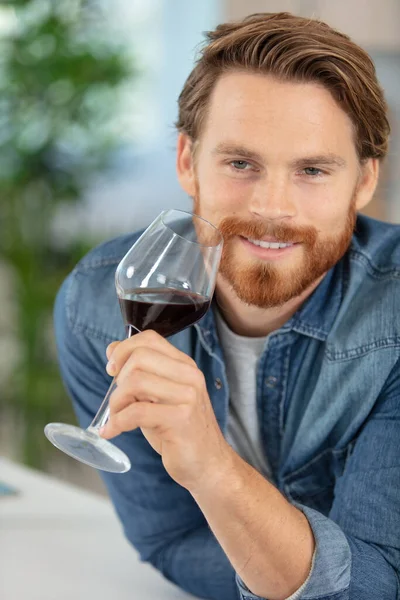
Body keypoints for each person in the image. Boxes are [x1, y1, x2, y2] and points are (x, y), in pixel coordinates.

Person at [54, 11, 400, 600]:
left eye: (312, 170)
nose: (271, 207)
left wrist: (212, 469)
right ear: (188, 160)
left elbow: (379, 584)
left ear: (364, 181)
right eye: (241, 163)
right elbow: (170, 541)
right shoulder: (96, 304)